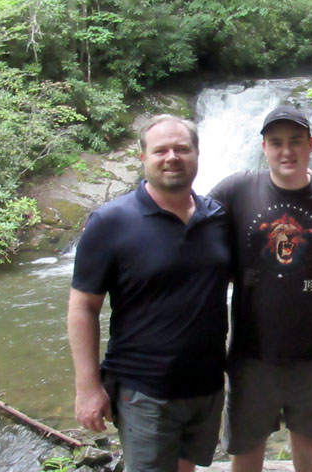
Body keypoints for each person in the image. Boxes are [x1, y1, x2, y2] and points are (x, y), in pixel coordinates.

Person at [67, 115, 232, 472]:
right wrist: (87, 387)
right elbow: (82, 307)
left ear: (197, 154)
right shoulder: (110, 222)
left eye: (182, 149)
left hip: (206, 386)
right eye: (161, 150)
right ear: (143, 158)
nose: (172, 157)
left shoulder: (217, 217)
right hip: (143, 390)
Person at [209, 105, 312, 472]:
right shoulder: (236, 189)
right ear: (264, 147)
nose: (286, 151)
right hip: (250, 354)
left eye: (295, 141)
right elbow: (190, 219)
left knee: (308, 444)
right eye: (276, 143)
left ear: (311, 144)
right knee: (246, 447)